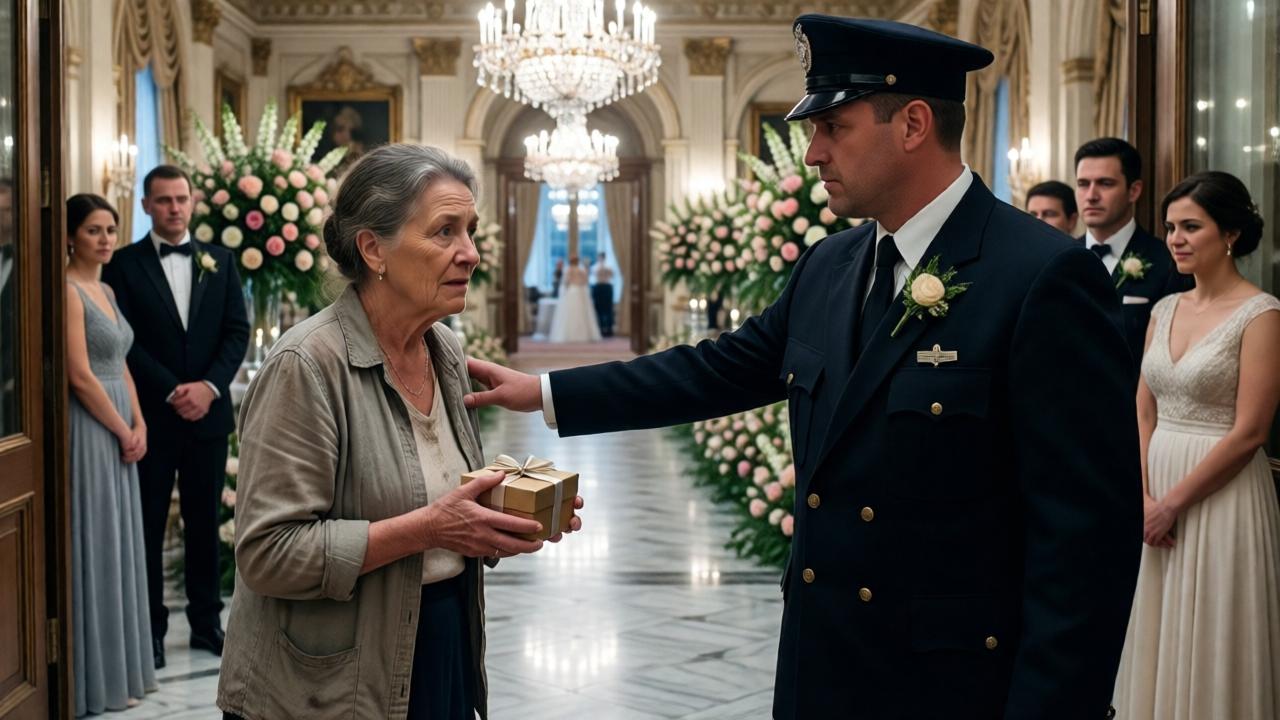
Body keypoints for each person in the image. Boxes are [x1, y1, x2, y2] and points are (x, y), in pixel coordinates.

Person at [465, 15, 1140, 720]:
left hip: (951, 683)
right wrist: (542, 390)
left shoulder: (1040, 276)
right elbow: (716, 369)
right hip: (824, 665)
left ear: (912, 123)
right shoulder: (832, 263)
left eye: (833, 128)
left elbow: (1085, 547)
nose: (811, 153)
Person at [215, 144, 582, 720]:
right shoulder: (308, 365)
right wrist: (431, 528)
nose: (470, 254)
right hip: (331, 682)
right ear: (373, 249)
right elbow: (267, 554)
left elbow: (436, 498)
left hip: (440, 644)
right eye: (445, 232)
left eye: (471, 231)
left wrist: (496, 516)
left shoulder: (446, 352)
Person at [1112, 171, 1280, 719]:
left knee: (1215, 627)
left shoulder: (1261, 313)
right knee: (1158, 628)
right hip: (1154, 487)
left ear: (1229, 233)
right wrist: (1142, 496)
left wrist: (1173, 503)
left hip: (1221, 492)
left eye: (1191, 226)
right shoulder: (1163, 309)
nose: (1175, 239)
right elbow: (1142, 407)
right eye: (1169, 228)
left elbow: (1252, 430)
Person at [101, 165, 249, 669]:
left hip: (207, 417)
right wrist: (171, 391)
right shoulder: (121, 265)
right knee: (146, 525)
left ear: (193, 201)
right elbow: (125, 341)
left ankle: (208, 623)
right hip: (152, 417)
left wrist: (209, 388)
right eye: (162, 200)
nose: (174, 207)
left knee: (205, 524)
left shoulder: (220, 261)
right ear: (145, 205)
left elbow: (236, 331)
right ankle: (152, 630)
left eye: (181, 198)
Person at [65, 194, 158, 716]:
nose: (105, 239)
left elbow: (119, 361)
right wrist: (122, 428)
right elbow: (80, 374)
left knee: (122, 541)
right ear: (71, 236)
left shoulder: (104, 287)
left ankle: (123, 672)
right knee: (98, 540)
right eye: (94, 230)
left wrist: (139, 421)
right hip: (92, 425)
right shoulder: (68, 290)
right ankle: (94, 680)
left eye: (111, 229)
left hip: (122, 418)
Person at [1075, 137, 1192, 364]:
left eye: (1105, 183)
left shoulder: (1168, 261)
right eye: (1083, 184)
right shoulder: (1058, 258)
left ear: (1134, 191)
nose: (1091, 195)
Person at [548, 255, 601, 343]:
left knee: (569, 313)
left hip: (571, 291)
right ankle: (583, 335)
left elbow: (565, 282)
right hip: (580, 291)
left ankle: (569, 334)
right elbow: (585, 281)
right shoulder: (582, 270)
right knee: (581, 312)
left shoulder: (568, 269)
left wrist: (565, 289)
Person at [590, 251, 615, 337]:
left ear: (604, 257)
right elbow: (593, 275)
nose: (600, 258)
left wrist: (605, 269)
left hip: (607, 287)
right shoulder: (594, 267)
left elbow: (612, 275)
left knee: (608, 309)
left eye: (601, 257)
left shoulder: (609, 266)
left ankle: (609, 329)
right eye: (599, 257)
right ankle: (600, 329)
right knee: (598, 309)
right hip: (598, 287)